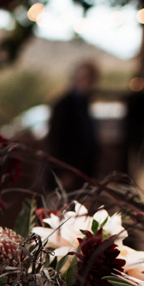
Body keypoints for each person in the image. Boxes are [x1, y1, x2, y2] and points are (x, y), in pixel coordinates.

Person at [46, 61, 100, 190]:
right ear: (76, 78)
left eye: (92, 78)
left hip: (82, 175)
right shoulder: (63, 106)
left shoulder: (85, 104)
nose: (89, 82)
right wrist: (63, 172)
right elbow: (55, 141)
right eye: (85, 78)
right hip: (65, 176)